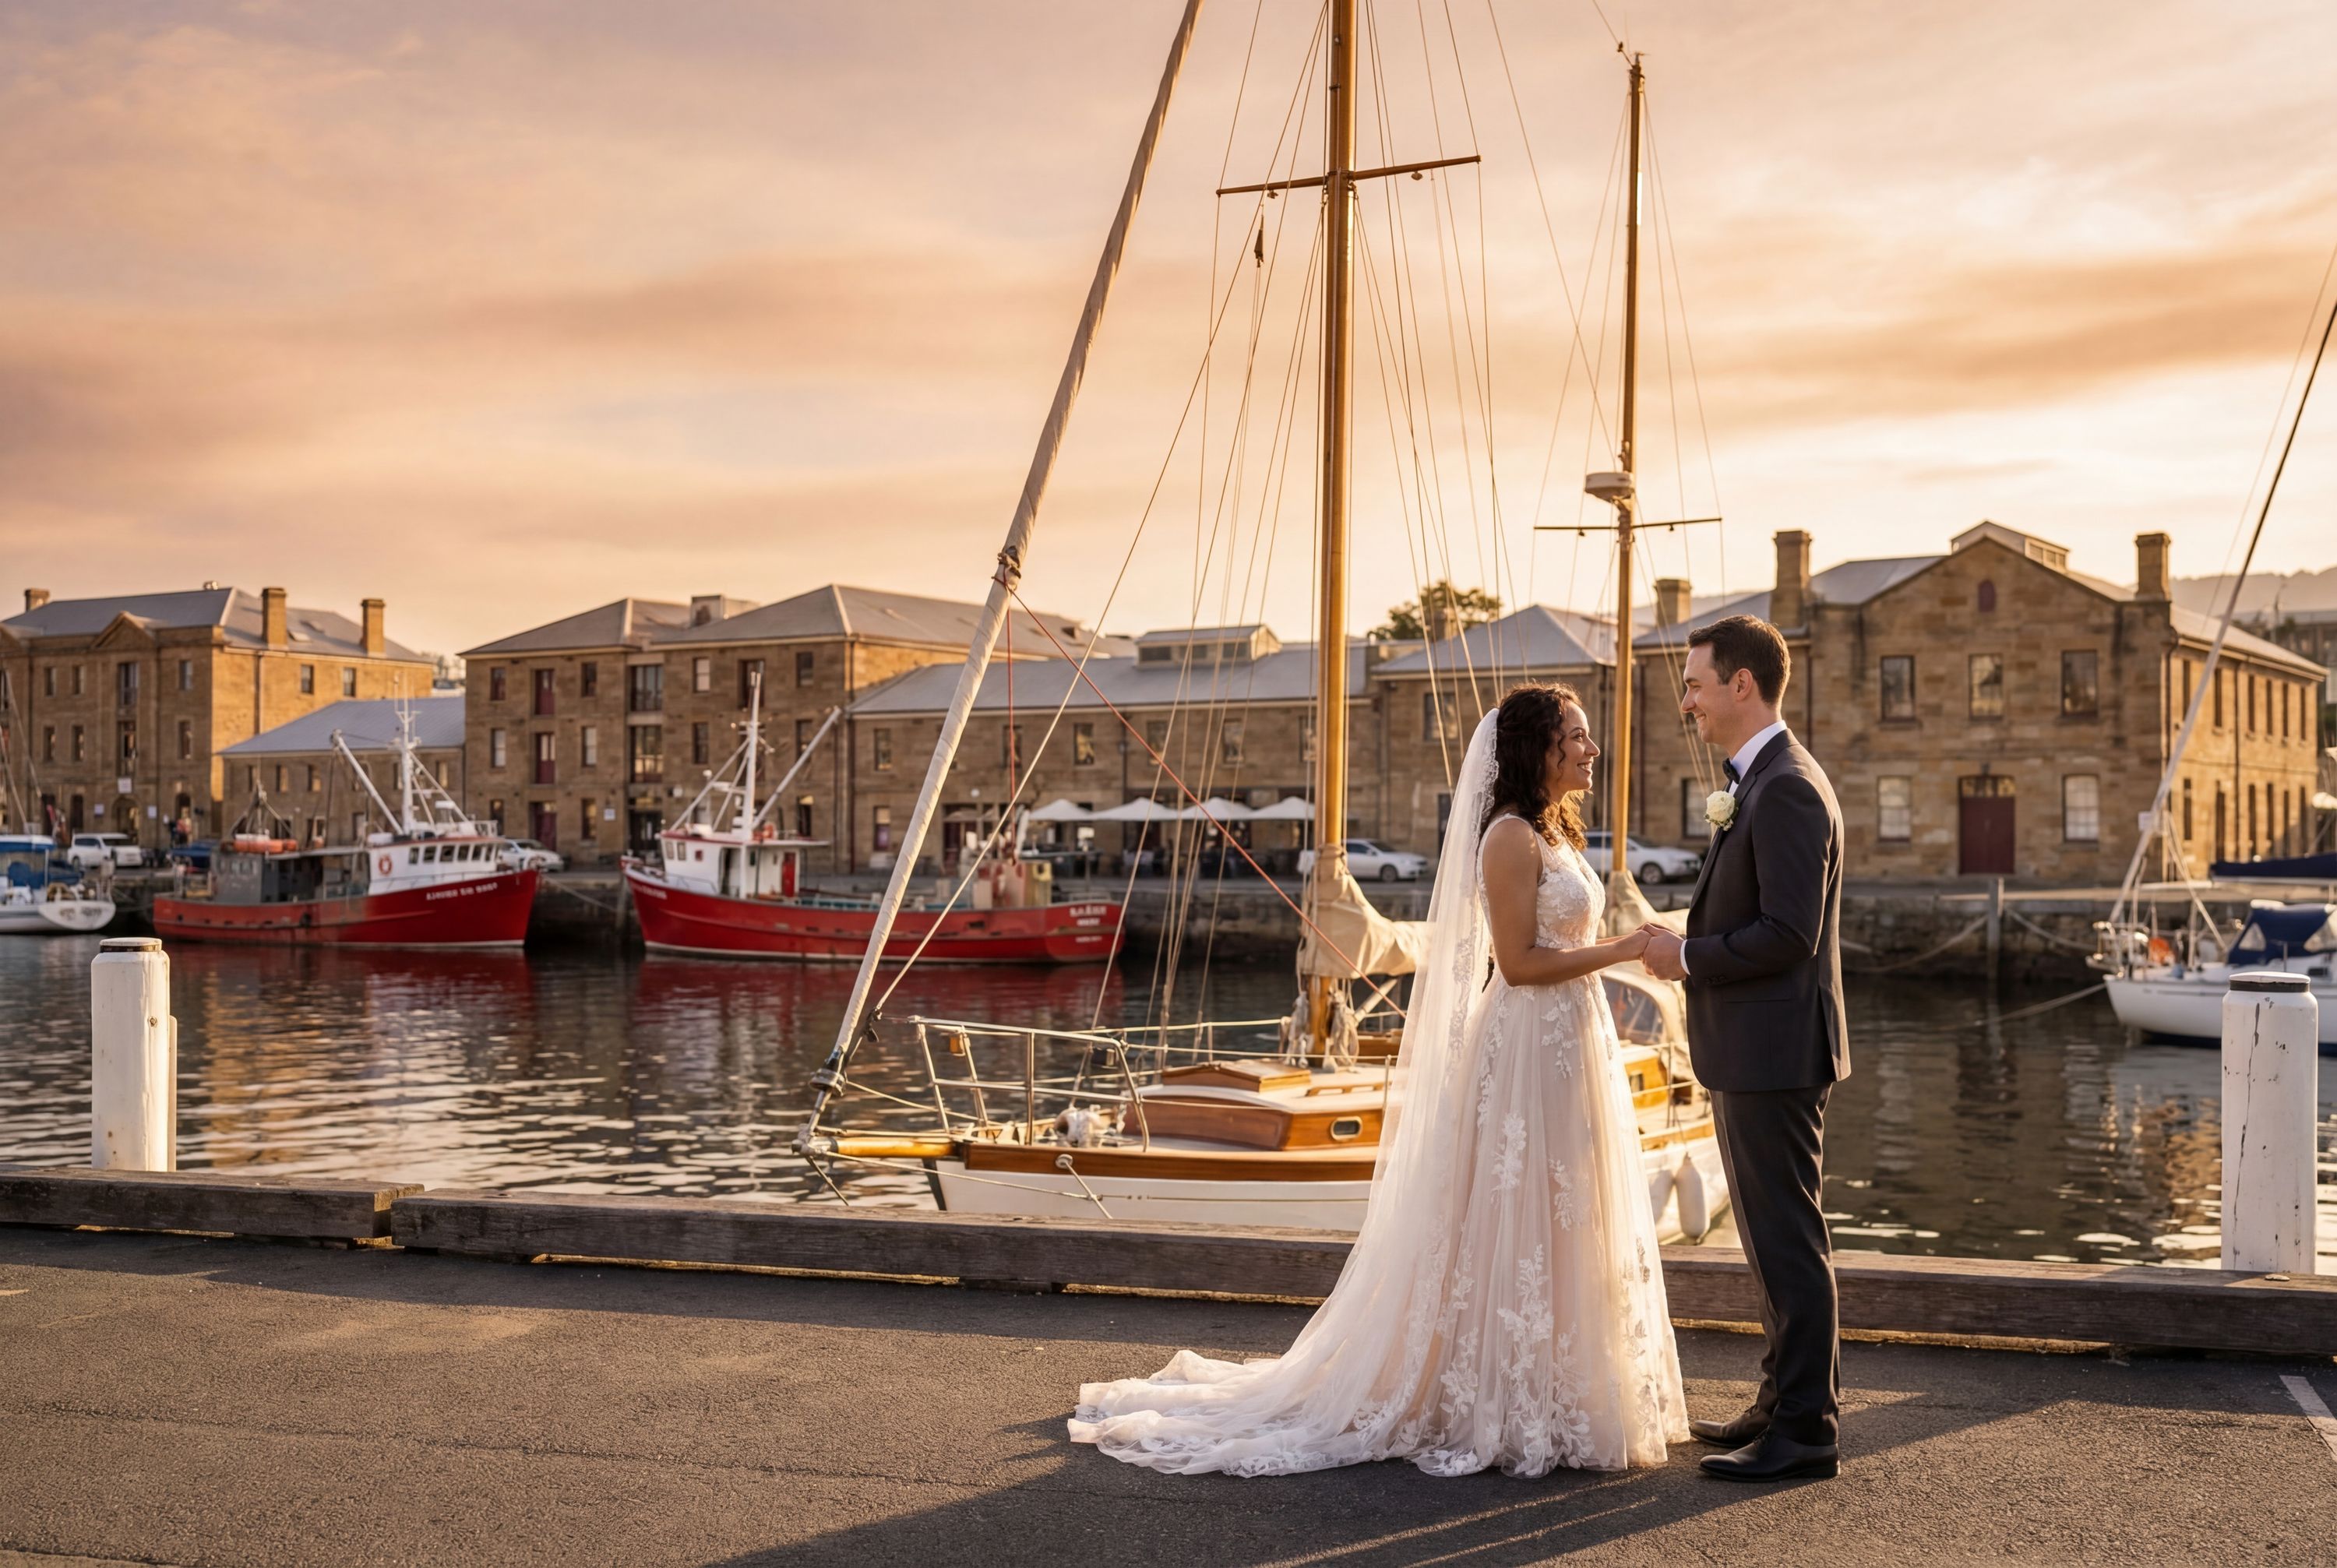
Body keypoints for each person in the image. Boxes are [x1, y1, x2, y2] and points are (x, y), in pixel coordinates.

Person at [1070, 683, 1687, 1478]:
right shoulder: (1507, 837)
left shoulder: (1556, 831)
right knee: (1515, 1207)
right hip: (1529, 1035)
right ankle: (1496, 1397)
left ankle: (1564, 1388)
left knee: (1566, 1208)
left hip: (1572, 1036)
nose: (1591, 749)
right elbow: (1521, 964)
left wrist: (1612, 955)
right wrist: (1623, 951)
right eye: (1577, 735)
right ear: (1540, 747)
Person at [1638, 614, 1849, 1483]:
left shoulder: (1788, 786)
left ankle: (1806, 1430)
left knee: (1789, 1240)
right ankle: (1781, 1400)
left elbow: (1788, 934)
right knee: (1768, 1239)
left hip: (1775, 1052)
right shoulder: (1759, 781)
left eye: (1694, 684)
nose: (1685, 702)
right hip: (1753, 1048)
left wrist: (1683, 957)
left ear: (1742, 686)